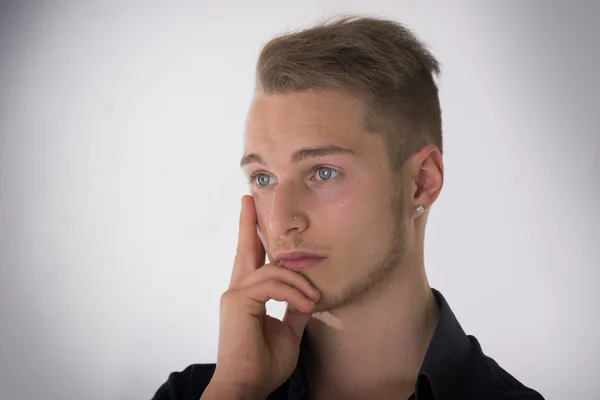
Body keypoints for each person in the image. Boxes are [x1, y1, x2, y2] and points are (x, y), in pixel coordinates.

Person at [152, 15, 545, 400]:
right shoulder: (197, 394)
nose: (280, 221)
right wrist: (236, 389)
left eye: (323, 172)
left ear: (421, 183)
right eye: (264, 179)